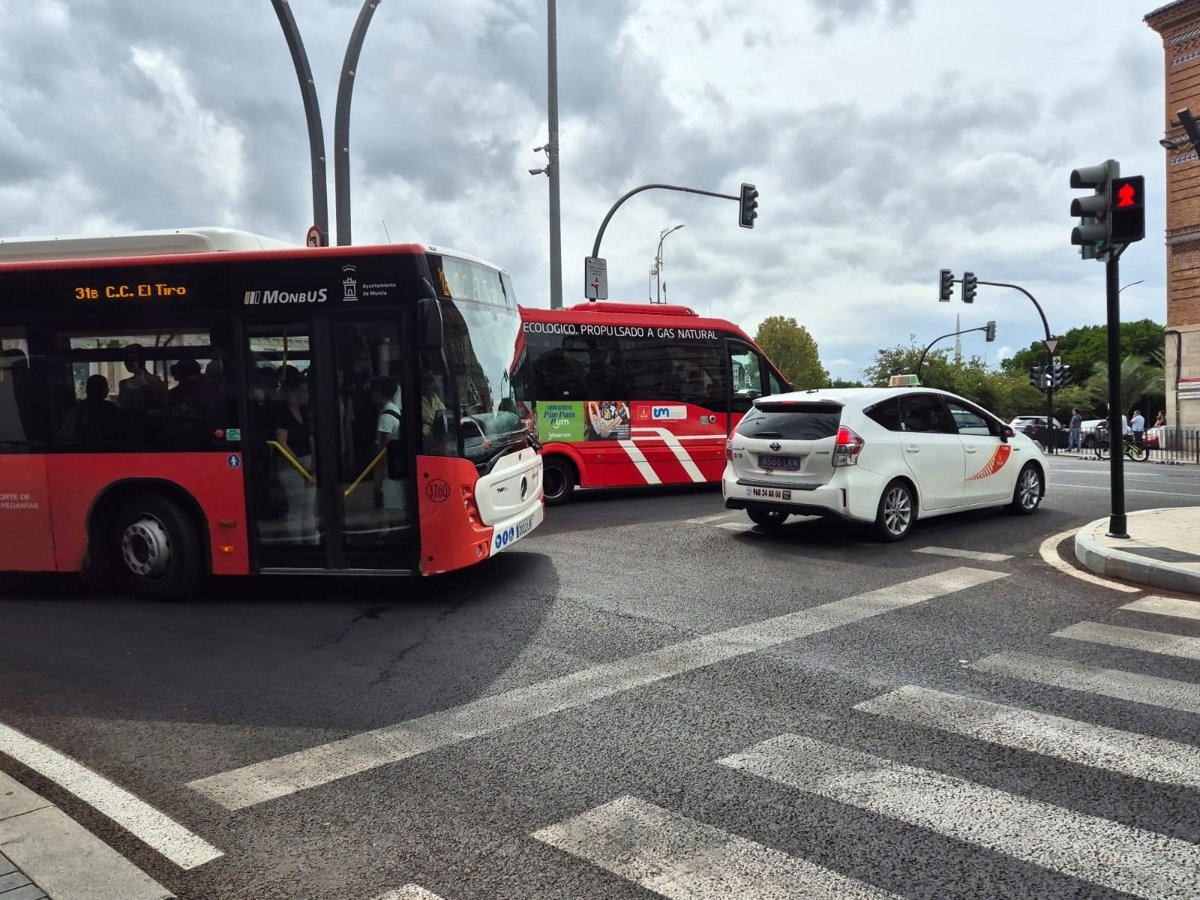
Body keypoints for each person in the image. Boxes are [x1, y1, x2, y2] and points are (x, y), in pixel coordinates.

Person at [272, 371, 317, 543]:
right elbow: (282, 443)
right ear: (294, 393)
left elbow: (310, 436)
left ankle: (313, 541)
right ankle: (297, 543)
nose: (306, 395)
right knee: (296, 506)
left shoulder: (306, 413)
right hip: (290, 463)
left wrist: (313, 460)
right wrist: (299, 465)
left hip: (307, 461)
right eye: (303, 391)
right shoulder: (283, 415)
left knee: (309, 506)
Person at [371, 377, 407, 520]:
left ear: (379, 393)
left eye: (373, 393)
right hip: (398, 466)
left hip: (389, 470)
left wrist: (378, 481)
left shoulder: (385, 418)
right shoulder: (396, 410)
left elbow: (383, 451)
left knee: (392, 509)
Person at [75, 374, 128, 445]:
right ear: (103, 389)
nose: (108, 388)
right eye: (106, 386)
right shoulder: (111, 408)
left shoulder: (78, 407)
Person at [117, 344, 168, 413]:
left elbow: (163, 404)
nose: (126, 363)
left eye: (131, 360)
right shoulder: (124, 384)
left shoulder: (157, 382)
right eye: (126, 360)